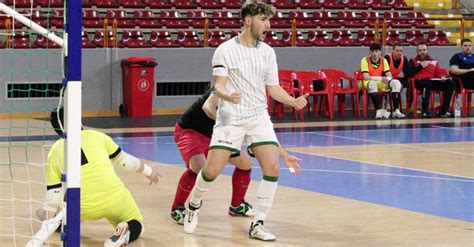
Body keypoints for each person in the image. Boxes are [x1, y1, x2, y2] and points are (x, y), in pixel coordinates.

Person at [183, 1, 308, 242]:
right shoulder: (224, 50)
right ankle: (194, 204)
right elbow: (218, 84)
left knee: (272, 167)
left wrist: (292, 101)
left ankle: (258, 222)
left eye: (269, 20)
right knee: (211, 170)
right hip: (231, 117)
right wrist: (227, 94)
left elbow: (273, 88)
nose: (268, 25)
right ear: (248, 20)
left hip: (258, 116)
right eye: (264, 19)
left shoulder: (268, 52)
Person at [27, 107, 161, 247]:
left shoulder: (55, 150)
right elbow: (126, 162)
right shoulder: (98, 136)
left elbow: (53, 194)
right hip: (114, 197)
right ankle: (124, 232)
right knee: (136, 222)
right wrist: (148, 170)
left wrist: (46, 226)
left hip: (80, 206)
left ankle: (57, 221)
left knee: (61, 213)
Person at [171, 88, 302, 224]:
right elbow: (208, 107)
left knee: (245, 164)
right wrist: (225, 124)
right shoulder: (226, 86)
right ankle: (177, 208)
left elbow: (264, 133)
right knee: (200, 168)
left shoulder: (252, 103)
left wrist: (285, 155)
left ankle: (237, 205)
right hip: (192, 131)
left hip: (219, 135)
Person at [405, 42, 455, 118]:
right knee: (426, 84)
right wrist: (420, 66)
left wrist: (442, 77)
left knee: (450, 83)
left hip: (432, 81)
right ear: (417, 52)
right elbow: (407, 73)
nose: (422, 52)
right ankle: (425, 111)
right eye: (420, 50)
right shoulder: (413, 61)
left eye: (424, 50)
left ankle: (444, 110)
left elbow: (438, 72)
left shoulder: (433, 61)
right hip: (419, 82)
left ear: (427, 50)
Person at [360, 43, 405, 119]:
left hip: (380, 83)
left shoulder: (383, 60)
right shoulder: (365, 60)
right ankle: (378, 111)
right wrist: (381, 78)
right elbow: (366, 77)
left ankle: (396, 111)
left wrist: (387, 79)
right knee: (372, 84)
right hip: (368, 82)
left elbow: (389, 76)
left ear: (380, 52)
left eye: (377, 51)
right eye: (373, 51)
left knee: (396, 83)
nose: (374, 53)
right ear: (370, 52)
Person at [385, 42, 409, 116]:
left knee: (410, 83)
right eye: (397, 51)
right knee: (395, 84)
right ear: (393, 50)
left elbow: (406, 74)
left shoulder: (404, 59)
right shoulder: (387, 58)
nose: (399, 53)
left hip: (396, 79)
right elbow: (383, 73)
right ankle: (396, 109)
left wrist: (403, 84)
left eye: (401, 51)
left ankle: (409, 106)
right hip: (386, 79)